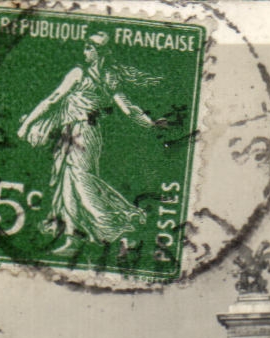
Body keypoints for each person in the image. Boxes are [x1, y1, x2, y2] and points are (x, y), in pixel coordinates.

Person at [16, 32, 162, 257]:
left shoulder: (80, 73)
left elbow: (53, 99)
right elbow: (127, 107)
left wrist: (27, 124)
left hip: (81, 133)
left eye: (88, 47)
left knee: (83, 186)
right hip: (79, 133)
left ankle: (125, 231)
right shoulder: (109, 76)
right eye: (85, 47)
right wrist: (149, 123)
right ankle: (73, 238)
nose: (84, 52)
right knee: (68, 186)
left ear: (98, 51)